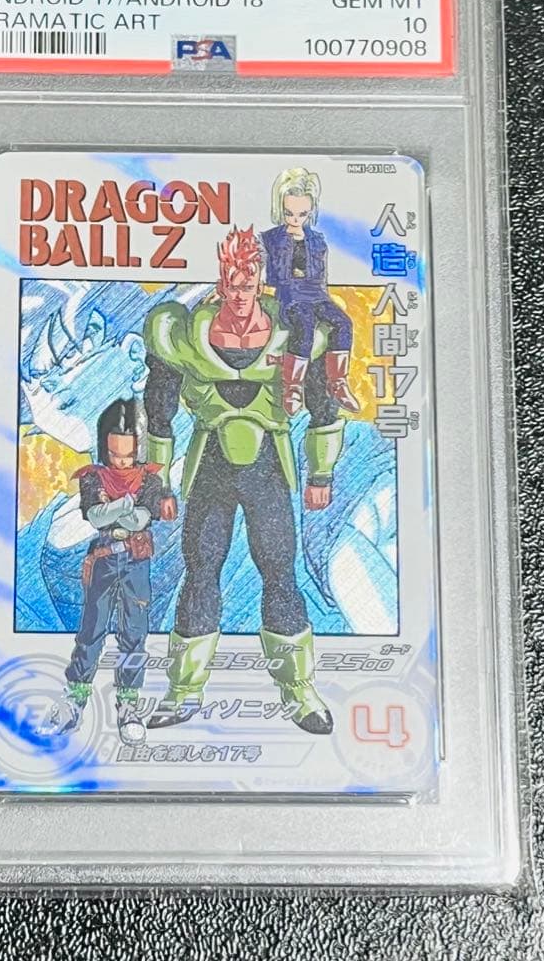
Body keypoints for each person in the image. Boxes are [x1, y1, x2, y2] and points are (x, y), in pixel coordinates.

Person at [143, 227, 346, 734]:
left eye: (248, 282)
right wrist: (158, 482)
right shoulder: (182, 333)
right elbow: (159, 410)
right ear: (222, 281)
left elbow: (323, 405)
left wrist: (321, 471)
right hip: (210, 467)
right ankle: (183, 690)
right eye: (232, 283)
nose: (239, 293)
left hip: (268, 468)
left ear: (260, 281)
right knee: (200, 572)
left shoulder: (296, 329)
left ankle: (299, 690)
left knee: (279, 573)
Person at [55, 398, 162, 745]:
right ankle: (75, 699)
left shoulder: (150, 478)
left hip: (136, 562)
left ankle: (128, 705)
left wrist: (118, 509)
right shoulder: (93, 477)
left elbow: (141, 519)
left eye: (128, 455)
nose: (122, 461)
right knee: (91, 630)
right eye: (115, 454)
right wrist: (125, 506)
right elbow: (95, 516)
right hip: (103, 558)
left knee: (134, 632)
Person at [261, 167, 359, 416]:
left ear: (311, 211)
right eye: (289, 213)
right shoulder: (269, 239)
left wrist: (325, 299)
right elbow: (254, 266)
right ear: (280, 208)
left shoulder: (317, 240)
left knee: (343, 323)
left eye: (302, 214)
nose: (295, 219)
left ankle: (338, 382)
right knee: (304, 323)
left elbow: (322, 277)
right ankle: (293, 387)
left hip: (316, 294)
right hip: (289, 296)